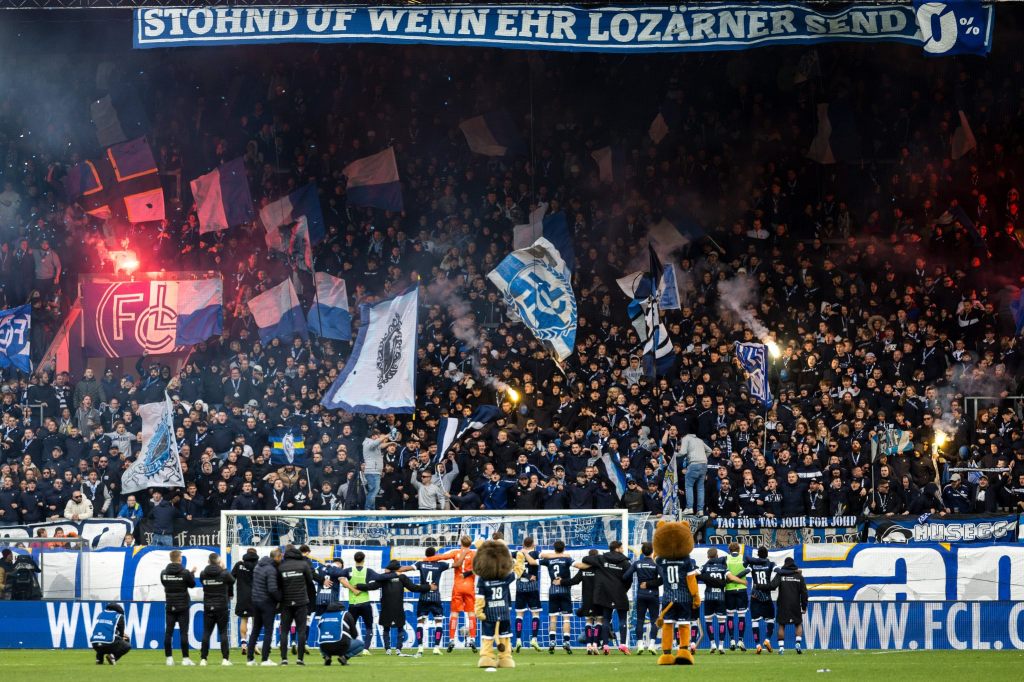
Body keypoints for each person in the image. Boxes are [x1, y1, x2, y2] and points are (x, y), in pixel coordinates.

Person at [354, 558, 430, 654]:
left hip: (386, 606)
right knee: (400, 627)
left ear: (390, 568)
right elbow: (414, 588)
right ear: (398, 568)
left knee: (386, 628)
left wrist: (358, 585)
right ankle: (398, 649)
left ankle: (388, 649)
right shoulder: (402, 577)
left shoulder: (385, 577)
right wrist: (428, 587)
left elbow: (371, 586)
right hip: (398, 606)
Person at [578, 539, 632, 654]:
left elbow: (585, 559)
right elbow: (629, 580)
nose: (623, 550)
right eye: (621, 548)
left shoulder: (602, 559)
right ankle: (623, 644)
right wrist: (623, 590)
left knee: (606, 619)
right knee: (622, 619)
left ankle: (606, 645)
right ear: (617, 549)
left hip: (606, 594)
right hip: (620, 593)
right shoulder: (625, 562)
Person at [428, 536, 478, 652]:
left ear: (461, 543)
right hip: (469, 587)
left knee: (454, 614)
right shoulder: (474, 554)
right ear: (470, 544)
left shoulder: (455, 553)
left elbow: (441, 557)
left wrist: (427, 559)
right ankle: (472, 639)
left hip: (458, 586)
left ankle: (451, 639)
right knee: (471, 614)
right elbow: (480, 567)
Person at [276, 544, 316, 665]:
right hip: (301, 602)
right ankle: (300, 659)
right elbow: (310, 581)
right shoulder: (303, 565)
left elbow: (278, 584)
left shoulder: (281, 566)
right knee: (301, 630)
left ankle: (284, 659)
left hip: (286, 602)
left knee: (284, 631)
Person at [160, 549, 197, 666]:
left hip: (170, 606)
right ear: (179, 559)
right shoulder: (185, 573)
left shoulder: (163, 573)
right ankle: (185, 659)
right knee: (183, 633)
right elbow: (192, 584)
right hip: (183, 607)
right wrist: (192, 573)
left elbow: (165, 584)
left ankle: (169, 658)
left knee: (168, 633)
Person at [247, 548, 282, 666]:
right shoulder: (271, 569)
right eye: (280, 557)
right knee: (268, 631)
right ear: (276, 557)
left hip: (255, 601)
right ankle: (265, 659)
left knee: (255, 630)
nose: (281, 559)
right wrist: (280, 598)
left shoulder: (258, 566)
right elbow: (272, 589)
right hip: (266, 603)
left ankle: (250, 659)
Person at [199, 552, 235, 666]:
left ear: (209, 562)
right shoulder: (224, 574)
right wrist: (224, 569)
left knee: (206, 633)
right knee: (223, 632)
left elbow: (203, 582)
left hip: (208, 606)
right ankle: (225, 659)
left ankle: (203, 659)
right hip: (221, 607)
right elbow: (232, 580)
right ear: (219, 562)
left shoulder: (203, 574)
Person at [539, 540, 575, 654]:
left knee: (553, 618)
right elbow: (577, 564)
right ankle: (566, 642)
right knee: (566, 618)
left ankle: (552, 642)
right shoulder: (567, 558)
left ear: (553, 548)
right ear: (564, 548)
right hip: (565, 590)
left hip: (553, 591)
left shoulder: (548, 559)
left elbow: (536, 559)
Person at [624, 541, 660, 654]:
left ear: (642, 552)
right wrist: (650, 584)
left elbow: (625, 576)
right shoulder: (655, 565)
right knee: (655, 620)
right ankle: (652, 645)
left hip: (641, 595)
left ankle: (640, 645)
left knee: (640, 619)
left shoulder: (637, 563)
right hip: (653, 595)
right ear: (652, 552)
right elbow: (663, 579)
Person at [413, 547, 449, 655]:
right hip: (435, 598)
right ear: (435, 555)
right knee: (439, 623)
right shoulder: (441, 565)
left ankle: (420, 647)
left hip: (423, 597)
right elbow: (456, 564)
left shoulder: (420, 563)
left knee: (420, 623)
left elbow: (408, 568)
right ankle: (436, 648)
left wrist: (398, 569)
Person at [745, 546, 779, 654]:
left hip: (755, 596)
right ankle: (767, 640)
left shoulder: (753, 565)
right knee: (770, 620)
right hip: (766, 596)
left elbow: (745, 570)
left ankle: (758, 645)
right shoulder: (771, 564)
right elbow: (778, 571)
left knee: (755, 621)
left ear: (758, 555)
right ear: (767, 555)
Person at [773, 557, 809, 655]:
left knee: (781, 625)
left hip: (782, 604)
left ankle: (781, 648)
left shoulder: (781, 574)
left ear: (785, 564)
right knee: (798, 624)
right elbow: (804, 593)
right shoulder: (799, 576)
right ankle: (797, 643)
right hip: (795, 604)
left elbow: (773, 586)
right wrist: (804, 606)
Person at [512, 536, 541, 652]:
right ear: (533, 544)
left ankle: (518, 640)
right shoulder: (535, 553)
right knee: (535, 614)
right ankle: (534, 639)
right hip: (532, 585)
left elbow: (507, 557)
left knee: (519, 615)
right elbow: (534, 562)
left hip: (520, 586)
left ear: (523, 544)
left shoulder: (516, 553)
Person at [230, 548, 259, 657]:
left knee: (244, 619)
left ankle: (243, 643)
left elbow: (231, 578)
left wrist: (230, 592)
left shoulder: (239, 565)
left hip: (242, 597)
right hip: (256, 596)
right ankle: (254, 643)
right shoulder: (258, 565)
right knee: (256, 621)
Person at [724, 541, 748, 650]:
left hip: (729, 590)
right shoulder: (743, 558)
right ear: (738, 549)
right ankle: (741, 641)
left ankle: (732, 640)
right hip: (742, 590)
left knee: (730, 616)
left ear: (729, 550)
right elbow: (748, 569)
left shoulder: (726, 559)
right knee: (741, 616)